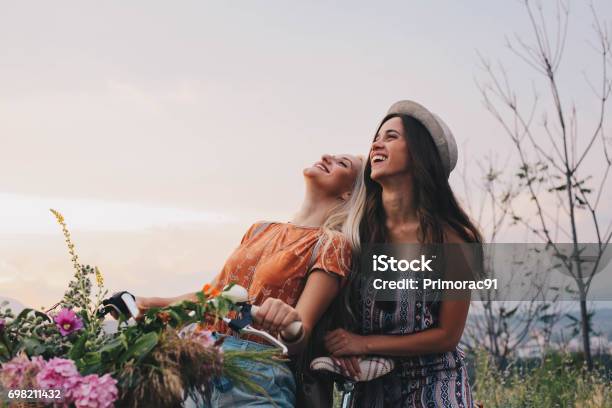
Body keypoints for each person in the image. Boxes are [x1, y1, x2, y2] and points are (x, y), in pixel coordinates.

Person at [136, 152, 363, 407]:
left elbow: (301, 334)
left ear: (348, 194)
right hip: (198, 362)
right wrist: (147, 303)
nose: (327, 156)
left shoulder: (332, 244)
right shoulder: (259, 229)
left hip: (257, 374)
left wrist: (288, 320)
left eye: (342, 163)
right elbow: (212, 297)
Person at [324, 101, 482, 408]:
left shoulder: (453, 238)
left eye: (391, 136)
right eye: (377, 136)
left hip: (435, 379)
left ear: (419, 155)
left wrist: (363, 343)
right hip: (370, 383)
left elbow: (448, 335)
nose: (376, 144)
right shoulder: (353, 229)